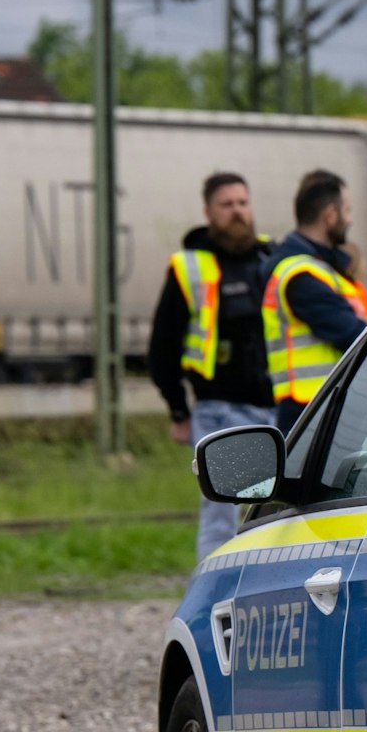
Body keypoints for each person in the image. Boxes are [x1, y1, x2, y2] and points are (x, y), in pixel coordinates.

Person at [146, 172, 274, 560]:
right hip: (220, 409)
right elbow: (162, 347)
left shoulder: (272, 258)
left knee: (272, 514)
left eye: (242, 203)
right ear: (208, 212)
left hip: (276, 408)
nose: (237, 212)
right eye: (227, 205)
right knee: (221, 513)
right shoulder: (190, 268)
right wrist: (178, 410)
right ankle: (214, 601)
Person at [262, 170, 367, 432]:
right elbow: (355, 334)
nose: (350, 220)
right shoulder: (301, 276)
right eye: (346, 210)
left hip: (325, 405)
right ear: (329, 214)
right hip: (309, 412)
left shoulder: (322, 268)